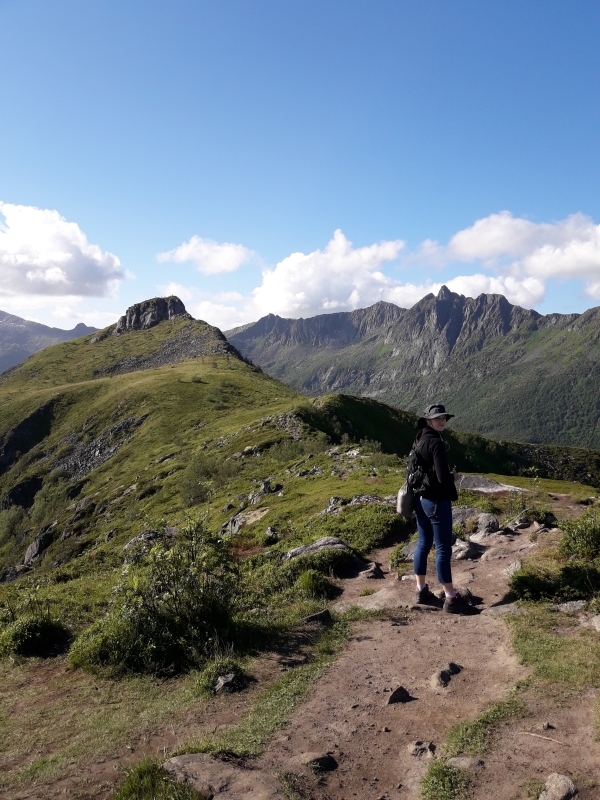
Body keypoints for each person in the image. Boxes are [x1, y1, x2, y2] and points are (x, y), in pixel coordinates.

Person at [410, 403, 478, 615]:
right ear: (428, 420)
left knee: (423, 543)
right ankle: (450, 597)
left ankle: (421, 590)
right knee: (442, 548)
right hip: (437, 501)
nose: (442, 421)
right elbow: (442, 478)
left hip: (420, 499)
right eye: (437, 418)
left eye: (444, 418)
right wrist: (454, 477)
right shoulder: (436, 443)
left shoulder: (419, 439)